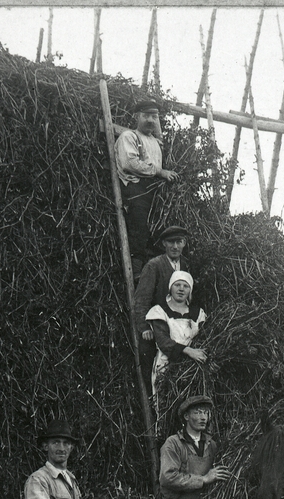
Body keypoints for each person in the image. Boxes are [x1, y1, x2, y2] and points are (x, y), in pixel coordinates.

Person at [114, 98, 176, 272]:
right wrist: (159, 172)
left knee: (158, 231)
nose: (150, 120)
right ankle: (135, 271)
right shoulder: (129, 136)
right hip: (135, 188)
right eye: (146, 116)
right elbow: (130, 164)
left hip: (153, 190)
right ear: (137, 117)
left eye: (154, 117)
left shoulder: (156, 142)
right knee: (139, 228)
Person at [131, 225, 192, 389]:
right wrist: (144, 327)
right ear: (164, 243)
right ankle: (152, 401)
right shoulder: (154, 266)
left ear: (184, 243)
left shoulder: (187, 265)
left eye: (179, 242)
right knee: (151, 360)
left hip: (180, 322)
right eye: (171, 242)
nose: (175, 247)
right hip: (157, 324)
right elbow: (142, 298)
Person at [143, 269, 207, 397]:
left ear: (190, 290)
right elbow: (163, 341)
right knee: (167, 401)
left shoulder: (198, 313)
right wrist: (189, 351)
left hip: (192, 366)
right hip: (167, 365)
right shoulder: (160, 311)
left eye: (186, 286)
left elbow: (204, 338)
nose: (181, 289)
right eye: (177, 285)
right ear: (170, 288)